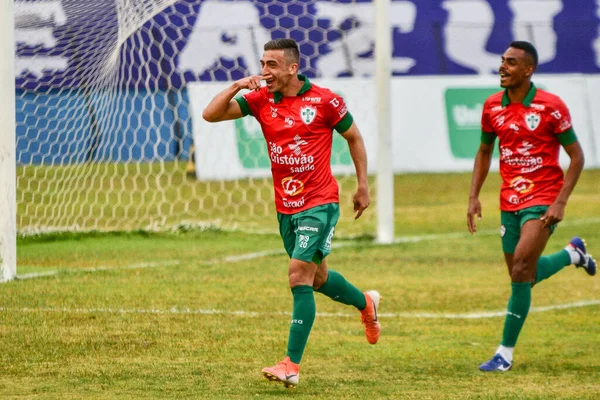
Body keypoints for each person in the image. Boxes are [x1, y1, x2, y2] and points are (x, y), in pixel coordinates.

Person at [202, 38, 380, 388]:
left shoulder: (326, 101)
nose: (264, 71)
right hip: (286, 205)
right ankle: (366, 303)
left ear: (292, 68)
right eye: (262, 64)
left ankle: (291, 365)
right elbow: (210, 115)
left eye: (271, 65)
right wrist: (238, 85)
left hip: (320, 201)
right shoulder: (259, 99)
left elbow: (354, 138)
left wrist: (363, 185)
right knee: (317, 279)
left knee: (298, 275)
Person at [467, 41, 596, 372]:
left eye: (511, 62)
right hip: (509, 198)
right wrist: (473, 196)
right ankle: (572, 254)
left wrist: (560, 201)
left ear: (528, 70)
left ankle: (504, 354)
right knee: (521, 274)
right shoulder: (492, 106)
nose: (503, 66)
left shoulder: (551, 107)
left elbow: (577, 156)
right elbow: (484, 151)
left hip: (543, 198)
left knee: (523, 267)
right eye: (502, 60)